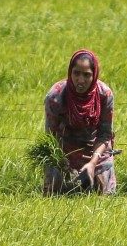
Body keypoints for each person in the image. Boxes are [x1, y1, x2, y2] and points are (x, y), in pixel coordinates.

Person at [43, 49, 115, 194]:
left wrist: (93, 163)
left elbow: (105, 135)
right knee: (54, 188)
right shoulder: (56, 96)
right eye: (76, 73)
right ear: (70, 72)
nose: (80, 80)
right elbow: (50, 137)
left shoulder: (104, 95)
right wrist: (61, 161)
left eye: (87, 75)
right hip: (64, 150)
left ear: (94, 75)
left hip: (95, 150)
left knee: (105, 191)